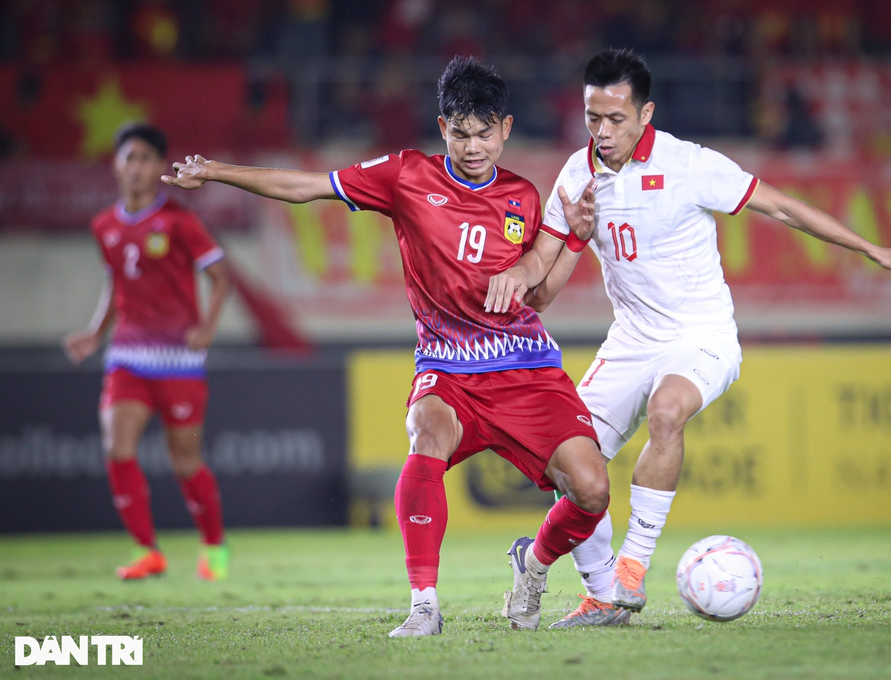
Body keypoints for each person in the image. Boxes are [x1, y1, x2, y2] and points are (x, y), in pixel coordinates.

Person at [160, 57, 611, 637]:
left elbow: (541, 296)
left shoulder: (523, 196)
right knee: (425, 433)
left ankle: (534, 564)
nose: (473, 147)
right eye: (461, 132)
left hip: (527, 368)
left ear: (505, 128)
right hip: (449, 369)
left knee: (592, 489)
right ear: (443, 127)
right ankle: (424, 604)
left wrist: (574, 237)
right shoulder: (406, 175)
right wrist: (217, 171)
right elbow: (305, 189)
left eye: (485, 133)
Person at [528, 49, 891, 628]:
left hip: (701, 335)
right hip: (631, 338)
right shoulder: (574, 175)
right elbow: (540, 294)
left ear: (645, 114)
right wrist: (574, 241)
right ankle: (601, 594)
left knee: (667, 412)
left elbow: (783, 209)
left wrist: (872, 249)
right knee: (569, 464)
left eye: (616, 119)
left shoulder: (691, 165)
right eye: (593, 118)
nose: (603, 131)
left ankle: (630, 575)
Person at [63, 123, 232, 581]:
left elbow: (221, 278)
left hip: (179, 359)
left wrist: (206, 327)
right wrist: (95, 333)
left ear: (160, 166)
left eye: (144, 158)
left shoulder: (180, 221)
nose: (135, 167)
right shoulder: (104, 225)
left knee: (185, 460)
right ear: (116, 165)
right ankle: (147, 551)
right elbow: (114, 285)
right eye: (128, 157)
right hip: (127, 357)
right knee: (117, 448)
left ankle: (214, 546)